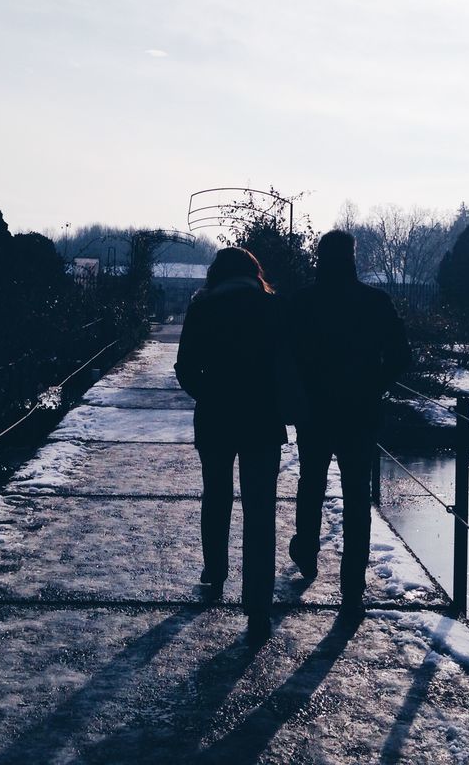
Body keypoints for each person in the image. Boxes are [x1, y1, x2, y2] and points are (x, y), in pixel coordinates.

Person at [288, 230, 411, 624]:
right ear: (353, 257)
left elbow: (287, 356)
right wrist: (375, 384)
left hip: (315, 411)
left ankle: (307, 550)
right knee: (357, 498)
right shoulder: (375, 302)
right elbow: (400, 356)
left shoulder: (303, 302)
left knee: (311, 483)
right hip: (359, 412)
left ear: (319, 258)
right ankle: (352, 589)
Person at [174, 246, 286, 646]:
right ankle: (257, 603)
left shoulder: (203, 308)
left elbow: (184, 368)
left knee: (216, 494)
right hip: (262, 419)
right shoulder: (272, 308)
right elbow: (286, 364)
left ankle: (215, 570)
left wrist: (211, 393)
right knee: (260, 510)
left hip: (216, 419)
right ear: (254, 272)